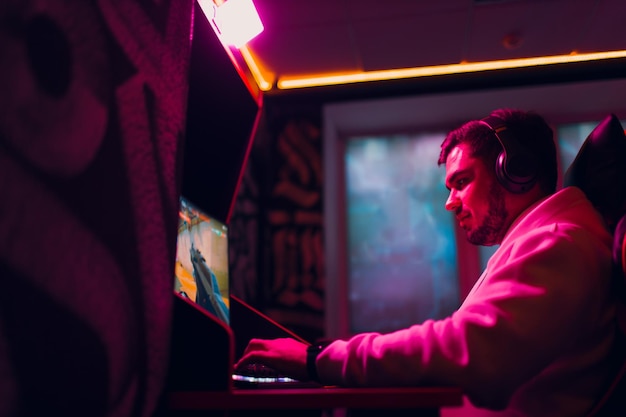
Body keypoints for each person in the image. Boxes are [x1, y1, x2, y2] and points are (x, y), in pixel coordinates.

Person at [235, 109, 619, 416]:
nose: (450, 202)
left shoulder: (558, 243)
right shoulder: (542, 239)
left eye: (462, 181)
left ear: (515, 171)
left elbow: (466, 350)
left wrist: (317, 359)